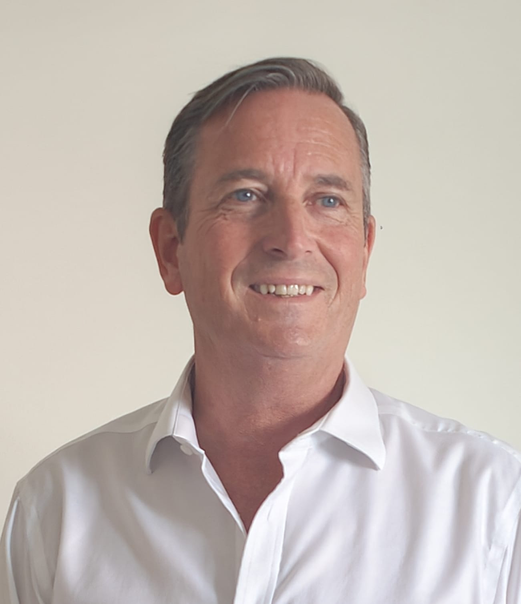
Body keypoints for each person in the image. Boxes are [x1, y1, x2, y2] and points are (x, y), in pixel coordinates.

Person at [1, 57, 520, 604]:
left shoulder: (497, 506)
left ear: (365, 251)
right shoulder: (54, 511)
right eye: (246, 195)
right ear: (171, 250)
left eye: (327, 201)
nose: (292, 239)